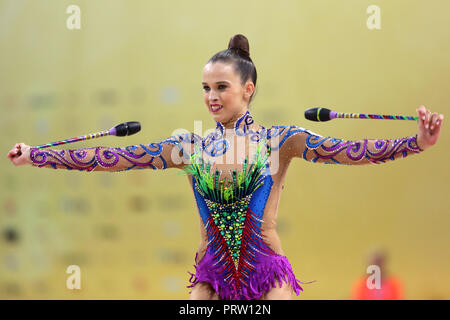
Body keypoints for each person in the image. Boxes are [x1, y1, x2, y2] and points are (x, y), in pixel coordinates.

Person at [7, 34, 444, 300]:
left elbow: (350, 150)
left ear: (247, 89)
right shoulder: (190, 147)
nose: (211, 96)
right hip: (211, 278)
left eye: (221, 87)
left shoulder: (280, 140)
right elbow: (113, 159)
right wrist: (37, 155)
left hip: (267, 272)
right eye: (205, 88)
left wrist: (417, 142)